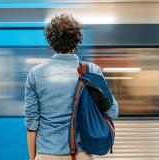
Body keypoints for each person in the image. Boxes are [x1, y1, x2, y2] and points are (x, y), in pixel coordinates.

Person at [24, 14, 118, 160]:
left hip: (47, 154)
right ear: (77, 40)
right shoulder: (91, 70)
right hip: (81, 154)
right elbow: (112, 112)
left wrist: (33, 157)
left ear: (51, 40)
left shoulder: (35, 74)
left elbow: (32, 124)